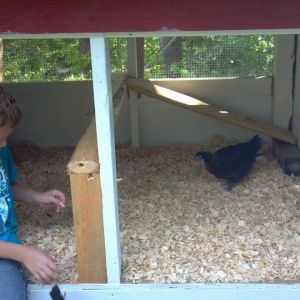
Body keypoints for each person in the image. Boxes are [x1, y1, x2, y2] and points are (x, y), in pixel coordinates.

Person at [0, 86, 66, 300]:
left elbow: (8, 188)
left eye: (6, 137)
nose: (4, 144)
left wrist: (39, 197)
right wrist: (25, 254)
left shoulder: (1, 150)